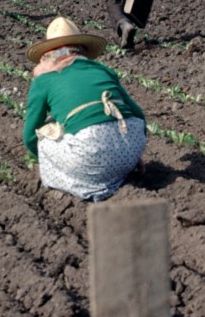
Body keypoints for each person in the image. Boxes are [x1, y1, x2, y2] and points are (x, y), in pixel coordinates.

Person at [22, 16, 147, 201]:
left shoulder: (44, 81)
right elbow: (138, 115)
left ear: (48, 54)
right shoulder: (103, 70)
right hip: (131, 145)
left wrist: (41, 158)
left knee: (46, 133)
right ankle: (117, 171)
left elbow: (30, 136)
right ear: (81, 50)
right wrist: (132, 153)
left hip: (90, 153)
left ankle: (88, 184)